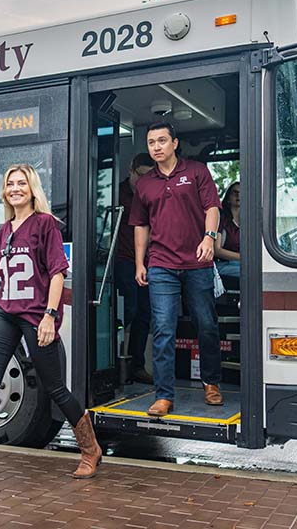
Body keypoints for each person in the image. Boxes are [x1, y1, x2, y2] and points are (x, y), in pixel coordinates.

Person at [0, 163, 102, 483]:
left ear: (32, 190)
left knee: (54, 387)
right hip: (6, 313)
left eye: (22, 184)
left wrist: (49, 316)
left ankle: (90, 449)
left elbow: (57, 274)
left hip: (36, 314)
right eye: (10, 184)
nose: (15, 188)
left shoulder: (45, 225)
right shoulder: (5, 229)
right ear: (5, 191)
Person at [128, 122, 223, 417]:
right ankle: (164, 395)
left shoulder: (196, 171)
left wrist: (209, 238)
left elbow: (212, 208)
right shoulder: (145, 184)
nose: (156, 146)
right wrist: (139, 262)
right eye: (151, 142)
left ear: (175, 143)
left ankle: (211, 382)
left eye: (162, 141)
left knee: (206, 325)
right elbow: (141, 225)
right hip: (161, 266)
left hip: (198, 262)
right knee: (163, 330)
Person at [115, 152, 155, 384]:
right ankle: (112, 357)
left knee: (144, 314)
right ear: (131, 169)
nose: (144, 182)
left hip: (148, 261)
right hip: (122, 259)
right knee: (127, 309)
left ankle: (137, 366)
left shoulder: (151, 193)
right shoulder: (117, 193)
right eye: (141, 176)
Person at [214, 181, 241, 279]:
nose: (238, 195)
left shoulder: (250, 221)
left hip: (244, 263)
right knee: (254, 273)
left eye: (242, 192)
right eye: (235, 192)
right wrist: (244, 258)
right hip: (223, 264)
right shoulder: (221, 218)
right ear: (229, 198)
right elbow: (217, 250)